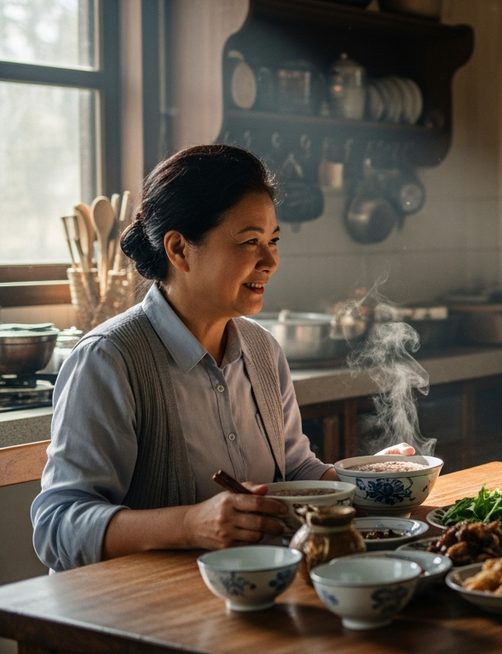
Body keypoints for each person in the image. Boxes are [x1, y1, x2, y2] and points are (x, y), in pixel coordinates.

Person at [32, 145, 414, 572]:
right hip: (138, 613)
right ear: (178, 249)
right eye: (250, 242)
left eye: (273, 241)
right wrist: (191, 524)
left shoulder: (262, 350)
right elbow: (56, 526)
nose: (270, 261)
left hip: (249, 594)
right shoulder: (109, 359)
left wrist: (366, 483)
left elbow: (293, 469)